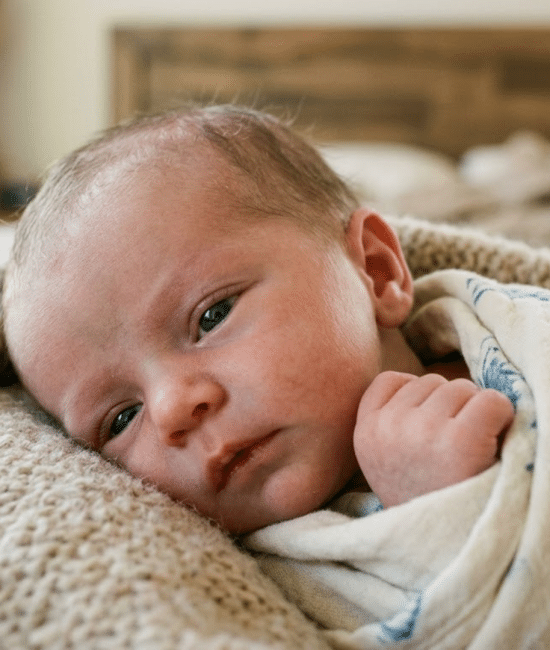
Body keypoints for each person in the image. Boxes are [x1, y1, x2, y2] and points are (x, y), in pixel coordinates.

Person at [0, 105, 514, 535]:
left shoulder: (518, 344)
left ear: (377, 272)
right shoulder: (236, 576)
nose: (172, 408)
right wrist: (436, 518)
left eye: (212, 316)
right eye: (119, 419)